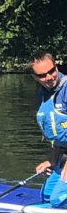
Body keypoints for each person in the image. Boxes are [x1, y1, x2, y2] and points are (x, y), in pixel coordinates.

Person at [32, 52, 67, 205]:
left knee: (56, 201)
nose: (49, 77)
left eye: (52, 71)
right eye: (42, 75)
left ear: (56, 67)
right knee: (46, 196)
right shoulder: (43, 95)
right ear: (35, 78)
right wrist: (52, 160)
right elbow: (61, 136)